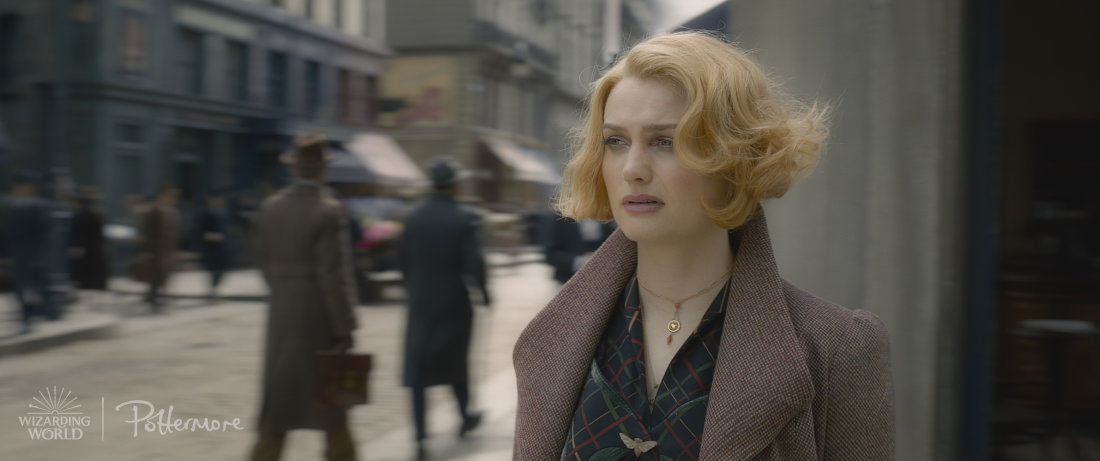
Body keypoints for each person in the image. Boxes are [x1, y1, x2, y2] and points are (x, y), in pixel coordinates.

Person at [512, 31, 894, 460]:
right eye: (615, 141)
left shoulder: (837, 349)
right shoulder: (551, 343)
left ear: (735, 156)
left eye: (665, 141)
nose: (633, 169)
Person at [249, 134, 359, 461]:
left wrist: (283, 290)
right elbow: (332, 275)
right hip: (318, 318)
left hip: (282, 314)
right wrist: (345, 327)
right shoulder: (329, 210)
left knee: (279, 403)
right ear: (323, 170)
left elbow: (262, 261)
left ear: (293, 169)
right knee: (332, 403)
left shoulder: (270, 207)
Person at [399, 158, 490, 460]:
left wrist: (413, 289)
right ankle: (464, 415)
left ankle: (420, 436)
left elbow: (403, 262)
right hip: (454, 303)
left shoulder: (412, 218)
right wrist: (484, 293)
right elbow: (474, 264)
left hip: (420, 304)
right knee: (456, 362)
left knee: (418, 369)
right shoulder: (465, 218)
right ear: (453, 185)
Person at [2, 170, 53, 333]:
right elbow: (5, 231)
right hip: (20, 251)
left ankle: (30, 315)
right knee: (21, 286)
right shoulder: (10, 205)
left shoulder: (39, 205)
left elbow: (44, 229)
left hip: (33, 251)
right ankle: (28, 315)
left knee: (32, 285)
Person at [138, 184, 179, 312]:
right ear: (162, 195)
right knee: (156, 274)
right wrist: (146, 250)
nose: (172, 197)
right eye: (169, 195)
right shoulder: (154, 210)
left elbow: (173, 233)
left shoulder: (171, 211)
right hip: (155, 249)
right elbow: (147, 232)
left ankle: (154, 296)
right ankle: (154, 298)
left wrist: (174, 250)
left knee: (164, 273)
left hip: (166, 249)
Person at [543, 212, 614, 284]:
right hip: (567, 279)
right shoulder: (560, 218)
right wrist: (583, 260)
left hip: (601, 279)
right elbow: (551, 255)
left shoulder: (605, 214)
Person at [68, 187, 109, 292]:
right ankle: (93, 283)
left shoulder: (82, 214)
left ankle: (90, 283)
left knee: (88, 265)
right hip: (93, 245)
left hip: (89, 244)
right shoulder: (95, 213)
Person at [195, 192, 233, 300]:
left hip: (223, 246)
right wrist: (208, 236)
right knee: (214, 269)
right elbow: (200, 230)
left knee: (223, 268)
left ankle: (214, 289)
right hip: (211, 246)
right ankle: (213, 290)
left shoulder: (224, 212)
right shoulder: (206, 213)